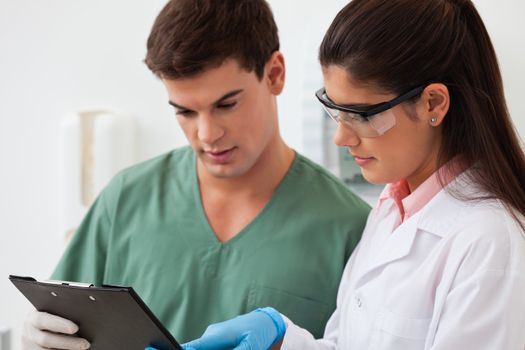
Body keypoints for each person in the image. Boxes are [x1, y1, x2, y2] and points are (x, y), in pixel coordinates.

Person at [20, 1, 371, 349]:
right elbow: (64, 326)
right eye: (185, 111)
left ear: (275, 74)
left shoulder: (351, 229)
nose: (206, 134)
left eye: (226, 104)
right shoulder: (126, 199)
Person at [180, 0, 525, 349]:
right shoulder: (394, 207)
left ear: (433, 103)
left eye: (360, 115)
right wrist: (283, 341)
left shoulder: (490, 243)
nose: (341, 137)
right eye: (335, 110)